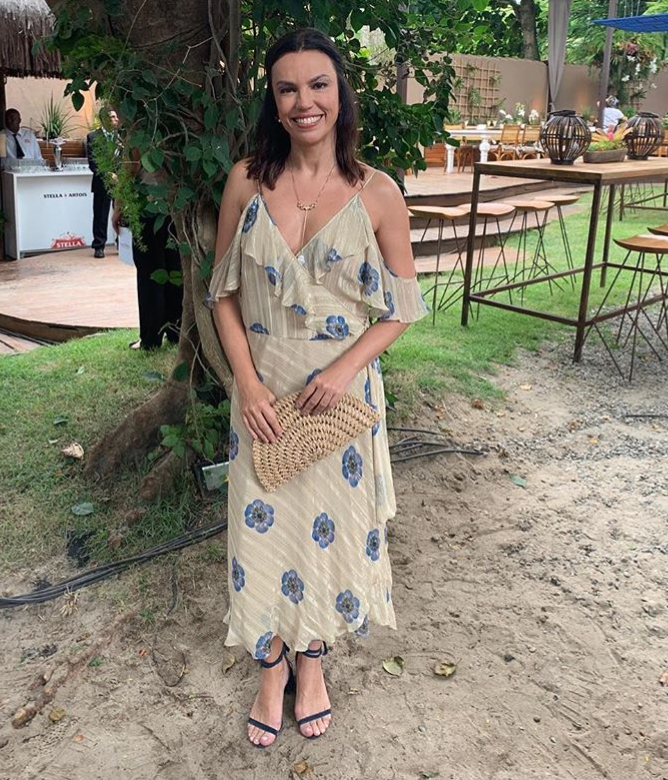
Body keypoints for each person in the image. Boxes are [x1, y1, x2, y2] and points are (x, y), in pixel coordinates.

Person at [206, 28, 428, 748]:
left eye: (318, 85)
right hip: (265, 395)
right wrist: (245, 385)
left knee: (326, 538)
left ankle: (311, 664)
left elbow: (402, 307)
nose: (305, 101)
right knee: (262, 531)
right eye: (288, 88)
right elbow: (221, 294)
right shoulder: (247, 182)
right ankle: (270, 668)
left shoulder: (378, 193)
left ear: (340, 95)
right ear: (274, 103)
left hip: (339, 401)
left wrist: (342, 369)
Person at [112, 160, 183, 351]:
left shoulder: (139, 139)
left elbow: (131, 167)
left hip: (148, 206)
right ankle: (176, 331)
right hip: (176, 206)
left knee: (149, 275)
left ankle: (151, 338)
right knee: (174, 268)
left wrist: (118, 207)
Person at [86, 108, 120, 258]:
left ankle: (122, 243)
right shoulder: (93, 137)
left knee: (122, 212)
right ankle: (99, 246)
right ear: (104, 119)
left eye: (116, 116)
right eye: (112, 117)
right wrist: (108, 174)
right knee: (100, 214)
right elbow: (93, 161)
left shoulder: (121, 136)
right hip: (102, 181)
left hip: (120, 180)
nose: (116, 119)